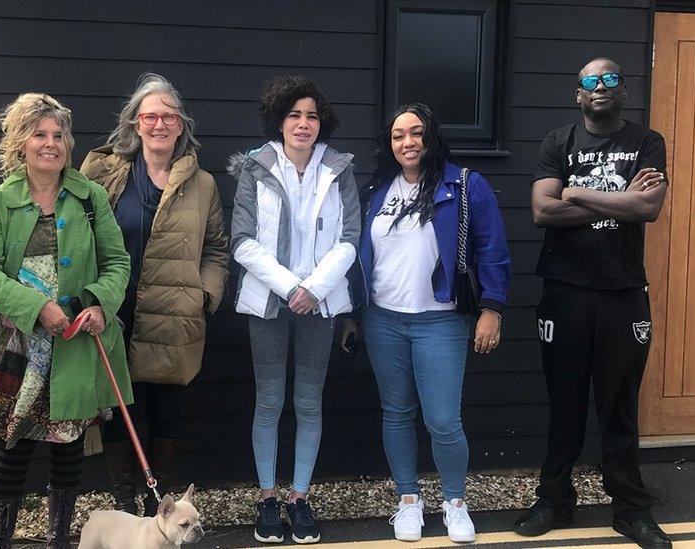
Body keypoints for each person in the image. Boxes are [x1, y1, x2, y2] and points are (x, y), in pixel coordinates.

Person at [0, 93, 132, 549]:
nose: (50, 144)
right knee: (12, 443)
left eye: (58, 135)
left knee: (69, 443)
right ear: (21, 142)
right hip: (15, 346)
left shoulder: (90, 196)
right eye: (40, 134)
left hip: (76, 340)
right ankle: (0, 540)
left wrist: (98, 304)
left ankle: (57, 540)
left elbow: (118, 263)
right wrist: (35, 307)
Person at [512, 57, 671, 548]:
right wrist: (615, 199)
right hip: (564, 292)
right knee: (565, 403)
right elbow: (542, 210)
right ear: (577, 94)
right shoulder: (557, 142)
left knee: (619, 404)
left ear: (623, 90)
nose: (599, 87)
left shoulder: (647, 142)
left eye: (609, 80)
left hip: (623, 292)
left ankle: (630, 510)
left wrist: (575, 190)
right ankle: (555, 500)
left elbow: (647, 207)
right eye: (589, 81)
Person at [339, 103, 510, 543]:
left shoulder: (466, 185)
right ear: (389, 143)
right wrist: (354, 315)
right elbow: (361, 257)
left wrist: (492, 309)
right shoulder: (376, 188)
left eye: (416, 133)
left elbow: (492, 249)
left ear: (431, 137)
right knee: (396, 413)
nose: (407, 142)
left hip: (440, 321)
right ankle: (408, 500)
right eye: (398, 135)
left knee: (443, 420)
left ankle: (455, 502)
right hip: (382, 319)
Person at [80, 73, 230, 516]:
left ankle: (155, 499)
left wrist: (202, 296)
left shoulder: (202, 185)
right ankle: (126, 503)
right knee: (117, 411)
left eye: (168, 116)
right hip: (115, 315)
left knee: (166, 416)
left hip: (175, 322)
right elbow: (76, 235)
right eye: (150, 115)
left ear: (181, 124)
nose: (159, 124)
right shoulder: (102, 173)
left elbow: (217, 250)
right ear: (135, 123)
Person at [229, 75, 360, 545]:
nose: (303, 124)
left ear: (321, 122)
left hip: (320, 306)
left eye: (311, 115)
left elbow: (349, 240)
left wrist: (313, 289)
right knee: (268, 401)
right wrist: (289, 287)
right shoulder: (255, 167)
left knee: (308, 402)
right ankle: (267, 498)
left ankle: (299, 498)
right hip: (269, 302)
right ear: (278, 120)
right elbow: (241, 240)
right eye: (293, 114)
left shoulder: (338, 169)